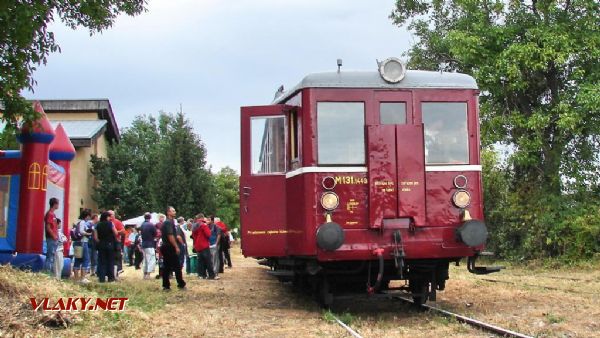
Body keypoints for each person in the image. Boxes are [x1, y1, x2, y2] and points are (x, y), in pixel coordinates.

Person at [160, 206, 186, 290]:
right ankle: (181, 284)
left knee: (167, 266)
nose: (175, 212)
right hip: (169, 247)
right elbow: (170, 236)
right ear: (168, 212)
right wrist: (176, 246)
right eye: (173, 211)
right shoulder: (168, 223)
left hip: (166, 246)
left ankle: (166, 285)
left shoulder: (170, 222)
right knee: (177, 266)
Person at [93, 211, 118, 283]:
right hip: (110, 244)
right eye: (109, 216)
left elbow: (96, 238)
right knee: (110, 261)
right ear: (106, 217)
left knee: (102, 262)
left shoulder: (97, 225)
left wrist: (100, 241)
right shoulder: (110, 224)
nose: (110, 218)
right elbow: (115, 233)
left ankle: (102, 278)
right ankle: (111, 278)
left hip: (101, 245)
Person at [192, 214, 218, 280]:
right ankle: (211, 275)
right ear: (202, 218)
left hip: (197, 245)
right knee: (208, 261)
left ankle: (202, 274)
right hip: (204, 245)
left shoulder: (194, 226)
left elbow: (193, 236)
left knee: (200, 261)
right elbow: (208, 234)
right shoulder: (203, 225)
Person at [72, 210, 92, 283]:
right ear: (87, 216)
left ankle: (76, 278)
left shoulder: (78, 221)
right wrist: (88, 234)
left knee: (77, 259)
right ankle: (83, 278)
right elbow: (81, 231)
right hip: (83, 242)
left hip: (77, 242)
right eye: (89, 216)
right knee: (86, 259)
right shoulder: (83, 222)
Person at [108, 210, 126, 278]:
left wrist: (116, 232)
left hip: (116, 242)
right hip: (108, 242)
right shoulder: (105, 222)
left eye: (111, 215)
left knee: (116, 257)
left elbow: (123, 231)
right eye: (109, 215)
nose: (110, 216)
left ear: (114, 215)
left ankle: (116, 272)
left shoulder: (117, 222)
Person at [44, 198, 60, 275]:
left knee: (52, 256)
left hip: (53, 238)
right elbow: (48, 227)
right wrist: (54, 236)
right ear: (54, 204)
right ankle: (47, 273)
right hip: (51, 238)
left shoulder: (53, 214)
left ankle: (49, 273)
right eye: (57, 204)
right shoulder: (50, 214)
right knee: (50, 256)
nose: (58, 205)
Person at [140, 213, 157, 280]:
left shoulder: (142, 225)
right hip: (150, 243)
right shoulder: (151, 225)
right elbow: (155, 233)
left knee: (145, 259)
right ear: (150, 217)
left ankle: (144, 274)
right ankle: (148, 274)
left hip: (144, 243)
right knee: (151, 259)